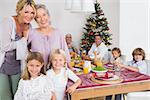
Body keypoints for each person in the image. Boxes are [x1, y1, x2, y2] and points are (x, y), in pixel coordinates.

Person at [0, 0, 36, 99]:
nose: (30, 15)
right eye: (26, 12)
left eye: (32, 12)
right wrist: (23, 39)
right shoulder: (8, 21)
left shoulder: (29, 26)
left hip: (18, 67)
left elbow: (28, 47)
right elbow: (4, 46)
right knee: (5, 97)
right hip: (2, 66)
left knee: (18, 95)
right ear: (19, 11)